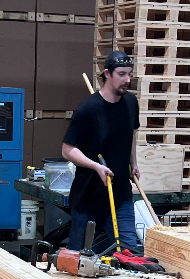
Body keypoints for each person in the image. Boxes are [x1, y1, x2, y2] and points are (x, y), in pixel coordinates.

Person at [61, 50, 141, 253]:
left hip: (120, 193)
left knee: (129, 253)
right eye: (122, 74)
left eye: (130, 74)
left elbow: (130, 134)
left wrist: (134, 163)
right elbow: (68, 150)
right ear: (107, 74)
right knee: (76, 257)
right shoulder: (88, 109)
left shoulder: (131, 103)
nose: (127, 80)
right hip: (89, 196)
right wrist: (95, 166)